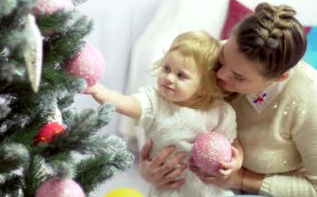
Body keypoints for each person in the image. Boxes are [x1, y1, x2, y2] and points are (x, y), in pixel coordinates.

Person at [139, 3, 317, 196]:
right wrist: (148, 170)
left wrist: (242, 179)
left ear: (279, 78)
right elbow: (162, 114)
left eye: (239, 77)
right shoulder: (212, 55)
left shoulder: (308, 98)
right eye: (223, 58)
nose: (221, 75)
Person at [84, 30, 242, 197]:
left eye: (181, 75)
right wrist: (98, 91)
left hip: (209, 191)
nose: (169, 77)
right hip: (170, 190)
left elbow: (233, 143)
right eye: (166, 68)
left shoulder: (219, 112)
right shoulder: (155, 103)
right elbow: (124, 102)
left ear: (203, 87)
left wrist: (236, 161)